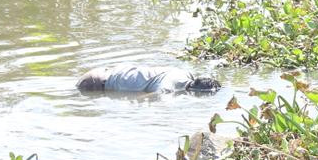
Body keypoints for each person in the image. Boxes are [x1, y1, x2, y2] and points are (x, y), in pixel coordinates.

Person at [76, 65, 221, 93]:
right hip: (95, 84)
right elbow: (151, 97)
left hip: (102, 72)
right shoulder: (169, 88)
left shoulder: (185, 73)